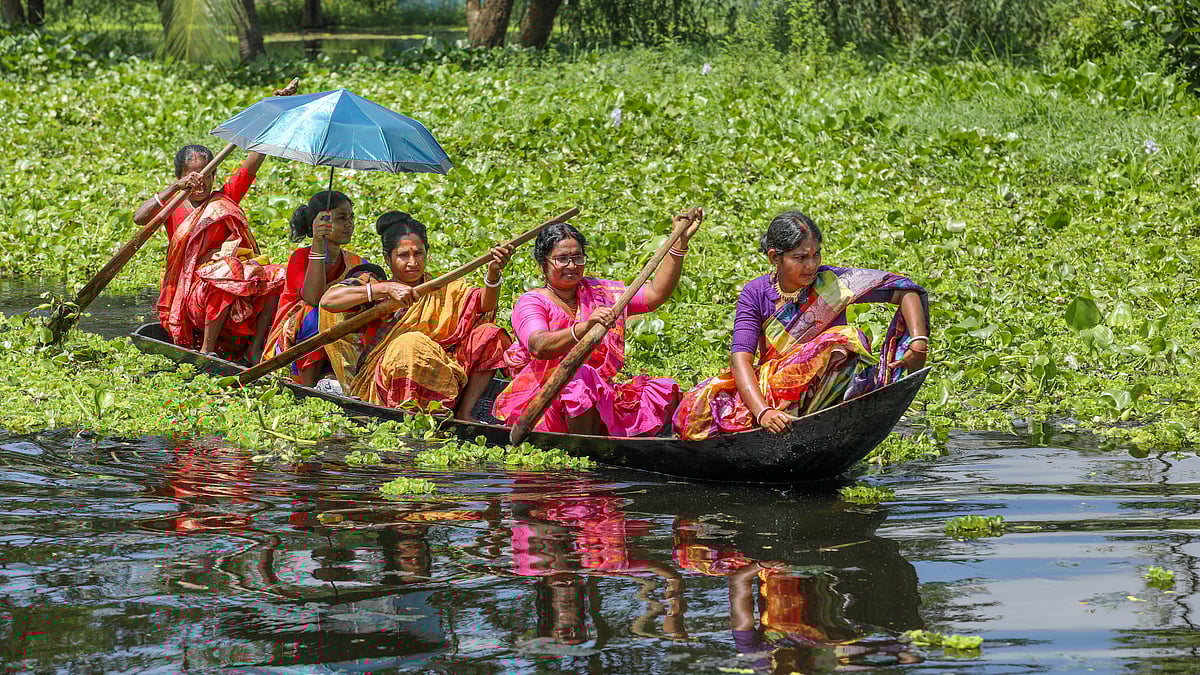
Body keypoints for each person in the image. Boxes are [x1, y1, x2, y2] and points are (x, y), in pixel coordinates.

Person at [673, 211, 928, 441]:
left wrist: (918, 341)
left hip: (828, 390)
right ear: (775, 257)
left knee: (845, 341)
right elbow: (740, 359)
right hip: (776, 391)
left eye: (816, 254)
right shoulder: (756, 293)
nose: (811, 265)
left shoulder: (831, 282)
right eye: (800, 257)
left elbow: (905, 291)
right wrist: (762, 411)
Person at [491, 211, 702, 437]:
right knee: (582, 377)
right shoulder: (532, 302)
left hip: (598, 396)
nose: (572, 265)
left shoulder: (600, 291)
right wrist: (584, 328)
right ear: (543, 264)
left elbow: (654, 294)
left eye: (577, 258)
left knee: (662, 390)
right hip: (545, 401)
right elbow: (538, 345)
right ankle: (583, 445)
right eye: (562, 259)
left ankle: (602, 437)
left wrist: (679, 244)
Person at [320, 211, 513, 420]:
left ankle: (464, 413)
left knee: (490, 334)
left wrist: (493, 273)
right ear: (388, 258)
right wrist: (385, 289)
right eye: (403, 255)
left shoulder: (442, 288)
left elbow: (485, 305)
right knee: (410, 345)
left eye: (418, 254)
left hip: (444, 370)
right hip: (387, 377)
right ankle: (407, 414)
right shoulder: (375, 285)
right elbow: (329, 300)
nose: (412, 262)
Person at [134, 143, 284, 360]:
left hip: (233, 286)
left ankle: (255, 349)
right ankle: (207, 350)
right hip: (190, 295)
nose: (200, 182)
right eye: (194, 176)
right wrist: (176, 187)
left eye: (207, 174)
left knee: (277, 276)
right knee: (225, 272)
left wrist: (269, 134)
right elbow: (140, 218)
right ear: (182, 176)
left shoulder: (224, 199)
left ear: (214, 175)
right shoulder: (174, 204)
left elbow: (252, 164)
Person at [260, 191, 365, 386]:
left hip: (339, 330)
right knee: (317, 314)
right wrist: (318, 242)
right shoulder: (300, 257)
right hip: (294, 334)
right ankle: (307, 386)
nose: (349, 224)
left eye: (351, 217)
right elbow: (314, 297)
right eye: (341, 218)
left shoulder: (355, 261)